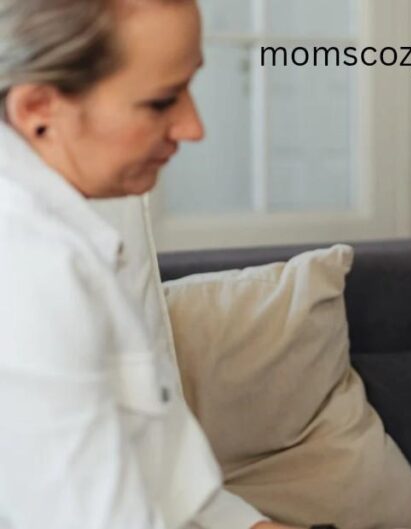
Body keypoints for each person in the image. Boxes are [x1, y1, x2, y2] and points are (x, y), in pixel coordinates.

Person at [0, 1, 298, 527]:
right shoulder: (30, 274)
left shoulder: (84, 228)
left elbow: (170, 482)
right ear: (38, 109)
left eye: (189, 87)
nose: (193, 127)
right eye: (162, 102)